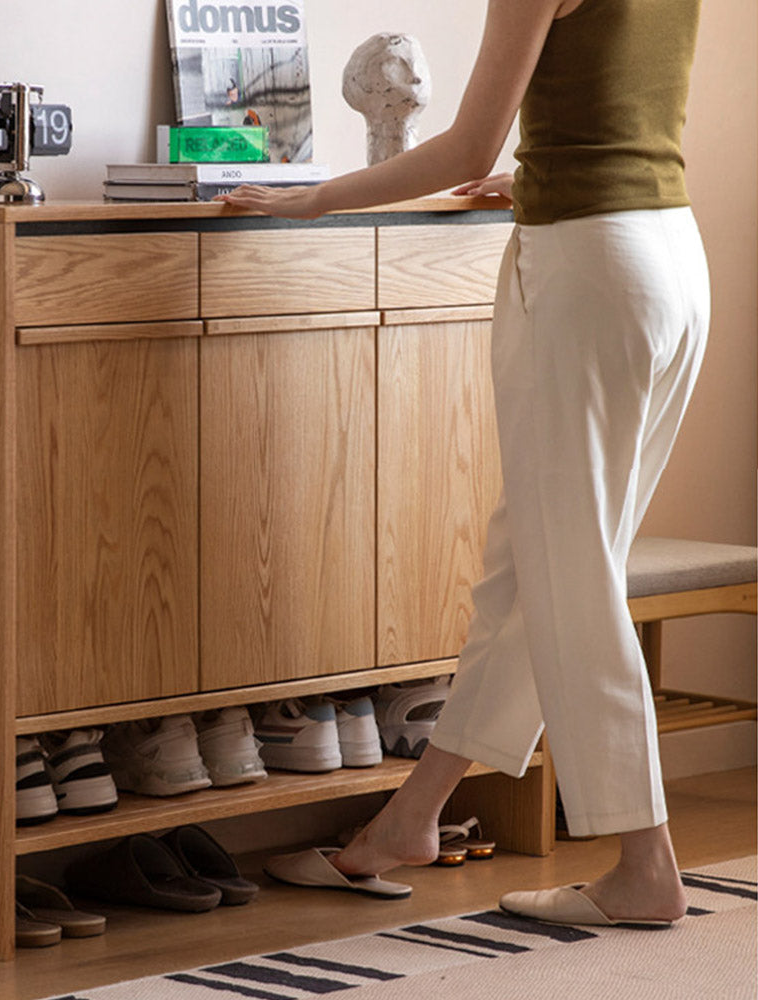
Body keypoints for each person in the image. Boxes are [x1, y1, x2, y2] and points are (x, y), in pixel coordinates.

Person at [217, 0, 707, 928]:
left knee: (573, 577)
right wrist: (540, 181)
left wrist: (308, 198)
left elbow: (466, 149)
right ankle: (414, 817)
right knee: (532, 568)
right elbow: (619, 113)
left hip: (588, 269)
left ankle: (647, 865)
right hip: (670, 257)